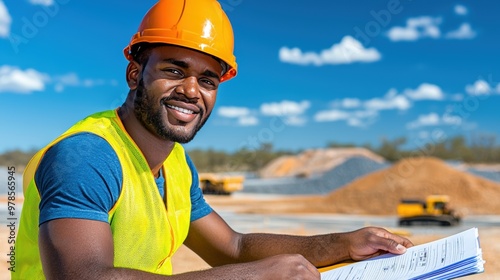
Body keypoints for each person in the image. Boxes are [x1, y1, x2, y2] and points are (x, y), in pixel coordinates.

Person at [14, 0, 413, 279]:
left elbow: (233, 248)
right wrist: (251, 278)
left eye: (208, 80)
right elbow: (84, 277)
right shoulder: (87, 156)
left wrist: (343, 244)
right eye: (174, 70)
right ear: (135, 73)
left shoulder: (175, 164)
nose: (192, 91)